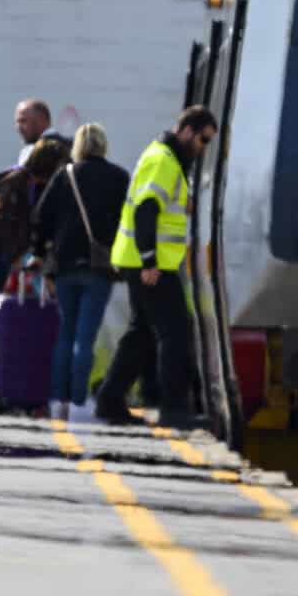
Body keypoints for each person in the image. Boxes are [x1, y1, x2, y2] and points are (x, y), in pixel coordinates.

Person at [103, 106, 220, 431]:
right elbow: (145, 211)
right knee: (175, 333)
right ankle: (174, 409)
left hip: (141, 260)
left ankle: (110, 399)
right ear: (187, 131)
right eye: (203, 139)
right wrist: (150, 260)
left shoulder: (167, 159)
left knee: (141, 333)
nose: (203, 147)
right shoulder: (163, 161)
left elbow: (161, 207)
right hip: (149, 264)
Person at [32, 122, 127, 423]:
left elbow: (41, 219)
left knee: (65, 335)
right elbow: (128, 221)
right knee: (85, 339)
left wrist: (42, 257)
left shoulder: (64, 175)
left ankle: (57, 400)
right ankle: (77, 402)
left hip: (63, 266)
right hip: (99, 267)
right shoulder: (119, 177)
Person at [0, 133, 69, 294]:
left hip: (7, 256)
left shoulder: (28, 182)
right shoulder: (17, 182)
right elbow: (2, 219)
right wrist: (15, 257)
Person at [13, 98, 53, 166]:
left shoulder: (55, 150)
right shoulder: (26, 151)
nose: (18, 127)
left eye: (23, 121)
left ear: (41, 120)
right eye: (17, 122)